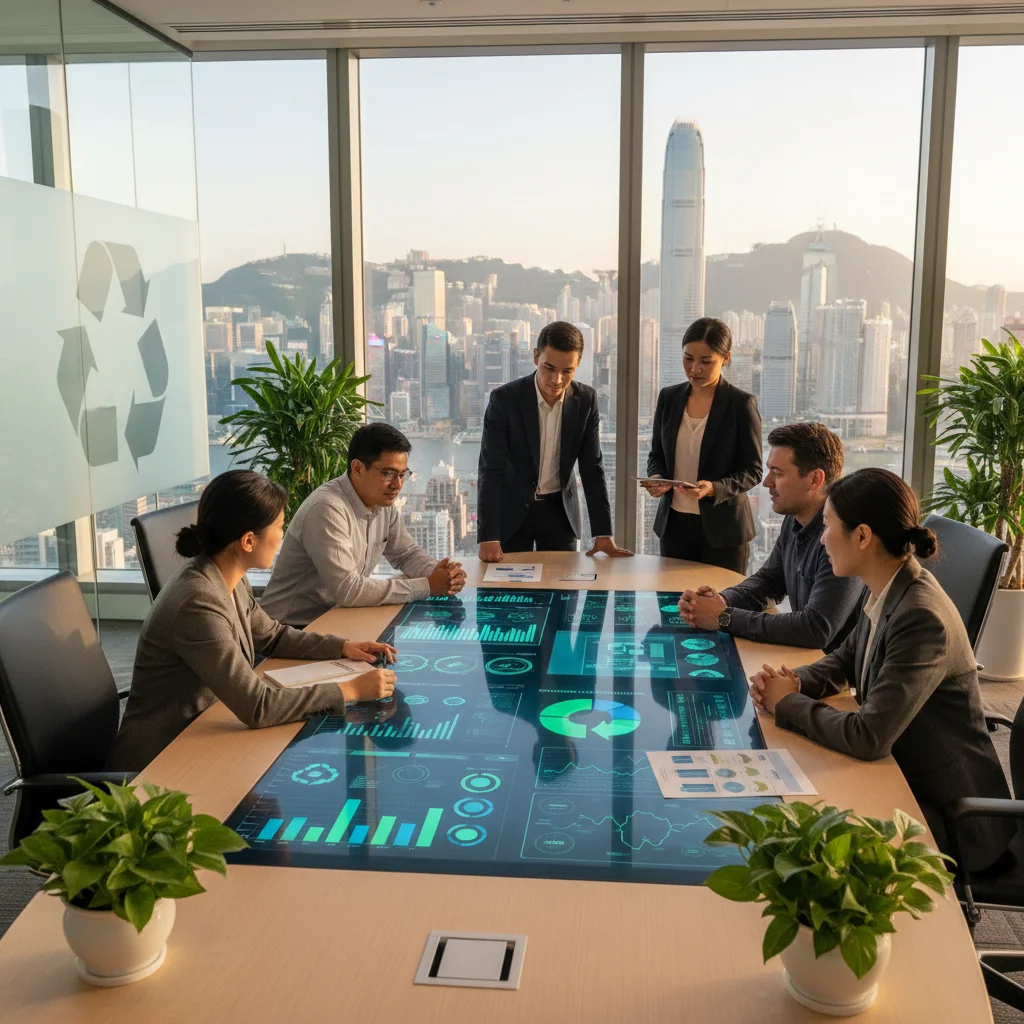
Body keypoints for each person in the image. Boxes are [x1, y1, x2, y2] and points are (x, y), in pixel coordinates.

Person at [748, 468, 1014, 873]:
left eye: (828, 526)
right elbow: (847, 657)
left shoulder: (920, 617)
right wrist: (798, 680)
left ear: (862, 536)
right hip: (905, 778)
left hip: (949, 816)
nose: (821, 538)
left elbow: (868, 736)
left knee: (801, 845)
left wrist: (789, 703)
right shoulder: (893, 585)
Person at [107, 470, 397, 772]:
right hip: (160, 763)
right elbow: (257, 707)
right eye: (279, 527)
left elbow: (271, 636)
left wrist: (343, 647)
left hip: (204, 732)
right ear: (247, 541)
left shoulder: (225, 574)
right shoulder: (197, 602)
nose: (283, 536)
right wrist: (349, 690)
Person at [678, 422, 863, 651]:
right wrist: (722, 601)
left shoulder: (844, 535)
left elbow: (816, 629)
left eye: (777, 473)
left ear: (815, 479)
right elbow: (770, 581)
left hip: (833, 675)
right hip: (806, 663)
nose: (766, 482)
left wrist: (724, 617)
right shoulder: (795, 517)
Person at [261, 423, 466, 624]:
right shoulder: (327, 508)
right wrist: (428, 585)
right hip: (289, 629)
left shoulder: (383, 504)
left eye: (403, 475)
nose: (397, 485)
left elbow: (406, 554)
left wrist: (440, 573)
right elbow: (348, 590)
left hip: (336, 620)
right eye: (388, 474)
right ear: (357, 468)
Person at [477, 320, 632, 562]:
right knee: (511, 593)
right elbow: (490, 469)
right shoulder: (505, 399)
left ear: (578, 364)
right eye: (549, 368)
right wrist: (488, 536)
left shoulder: (586, 400)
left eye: (567, 371)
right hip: (513, 512)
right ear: (536, 356)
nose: (557, 380)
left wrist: (603, 532)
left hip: (560, 512)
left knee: (563, 592)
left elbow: (592, 468)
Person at [643, 317, 762, 573]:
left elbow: (753, 471)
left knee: (721, 606)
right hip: (674, 525)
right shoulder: (669, 398)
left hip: (724, 531)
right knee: (673, 605)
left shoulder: (741, 404)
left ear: (725, 358)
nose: (695, 368)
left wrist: (714, 488)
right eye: (688, 358)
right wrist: (658, 477)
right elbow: (657, 455)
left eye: (706, 361)